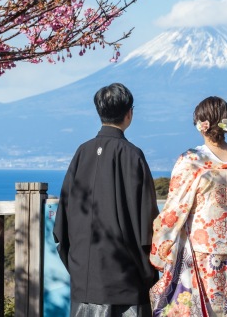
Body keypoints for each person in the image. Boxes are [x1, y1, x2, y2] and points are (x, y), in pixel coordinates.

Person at [150, 96, 227, 317]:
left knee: (204, 308)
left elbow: (174, 208)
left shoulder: (191, 160)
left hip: (202, 246)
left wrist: (161, 241)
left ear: (200, 125)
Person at [54, 83, 160, 317]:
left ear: (99, 111)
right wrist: (148, 270)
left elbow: (64, 216)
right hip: (126, 278)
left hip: (85, 278)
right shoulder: (132, 155)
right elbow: (146, 219)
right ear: (129, 113)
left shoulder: (82, 152)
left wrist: (77, 264)